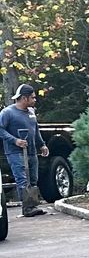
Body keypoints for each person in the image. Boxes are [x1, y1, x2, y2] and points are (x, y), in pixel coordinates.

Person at [1, 84, 49, 216]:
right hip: (15, 152)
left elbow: (35, 129)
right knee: (22, 179)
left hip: (32, 151)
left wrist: (42, 144)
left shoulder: (31, 112)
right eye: (32, 98)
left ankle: (33, 205)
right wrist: (15, 140)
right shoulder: (7, 113)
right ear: (24, 98)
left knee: (33, 179)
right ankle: (27, 208)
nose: (35, 100)